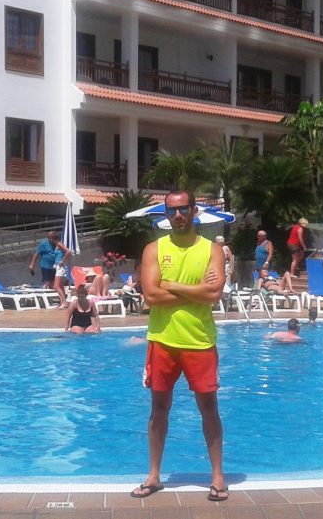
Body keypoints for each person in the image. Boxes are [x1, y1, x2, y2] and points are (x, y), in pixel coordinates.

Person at [133, 190, 227, 501]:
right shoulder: (153, 250)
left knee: (209, 409)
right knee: (158, 409)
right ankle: (154, 475)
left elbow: (215, 295)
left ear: (194, 210)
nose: (177, 215)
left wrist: (170, 284)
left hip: (199, 340)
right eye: (172, 210)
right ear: (166, 213)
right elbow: (151, 296)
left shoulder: (212, 250)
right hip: (163, 340)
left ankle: (217, 477)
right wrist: (198, 289)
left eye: (183, 209)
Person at [28, 231, 71, 309]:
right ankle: (63, 302)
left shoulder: (59, 244)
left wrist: (62, 261)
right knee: (59, 285)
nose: (50, 240)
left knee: (56, 286)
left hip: (59, 267)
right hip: (52, 267)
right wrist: (32, 265)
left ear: (53, 239)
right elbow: (37, 254)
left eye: (51, 238)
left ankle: (64, 302)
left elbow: (68, 252)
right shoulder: (47, 244)